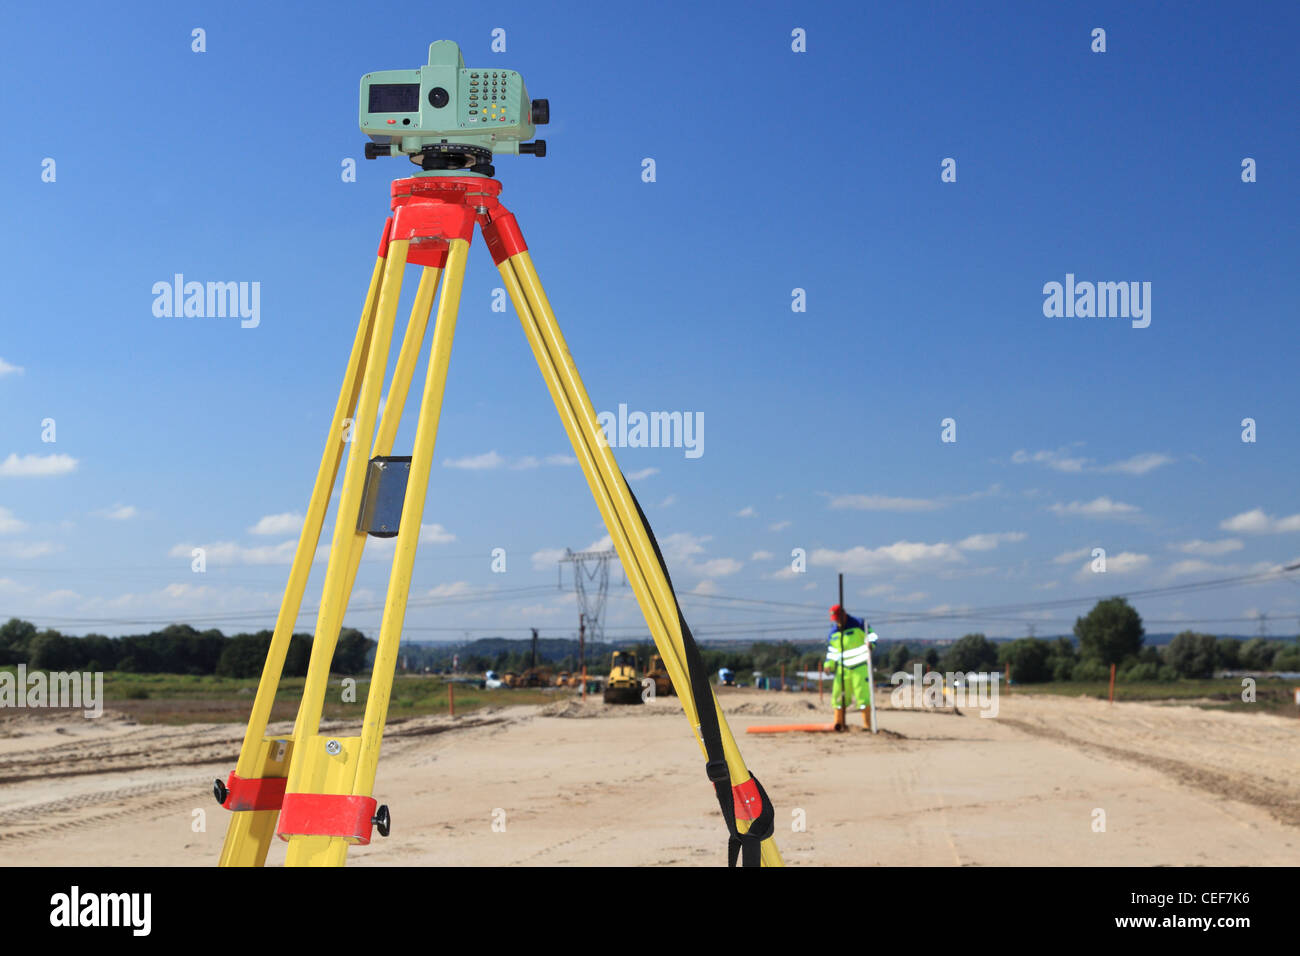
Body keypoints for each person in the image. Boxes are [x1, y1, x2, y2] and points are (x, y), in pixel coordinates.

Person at [824, 604, 878, 729]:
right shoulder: (833, 633)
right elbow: (832, 652)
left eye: (838, 618)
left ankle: (867, 725)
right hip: (842, 669)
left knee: (862, 697)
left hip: (860, 667)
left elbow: (873, 636)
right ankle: (839, 724)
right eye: (835, 620)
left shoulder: (859, 624)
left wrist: (871, 644)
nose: (837, 621)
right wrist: (828, 665)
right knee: (838, 697)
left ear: (844, 614)